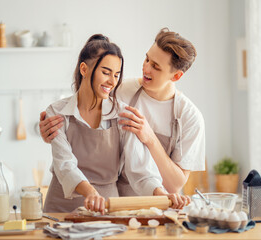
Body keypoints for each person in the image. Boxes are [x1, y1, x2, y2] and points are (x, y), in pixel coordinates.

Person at [40, 28, 205, 197]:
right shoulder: (122, 90)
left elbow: (174, 184)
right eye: (147, 58)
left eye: (155, 66)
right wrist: (51, 133)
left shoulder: (189, 117)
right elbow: (82, 105)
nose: (146, 68)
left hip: (158, 201)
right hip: (118, 201)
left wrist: (149, 138)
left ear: (176, 76)